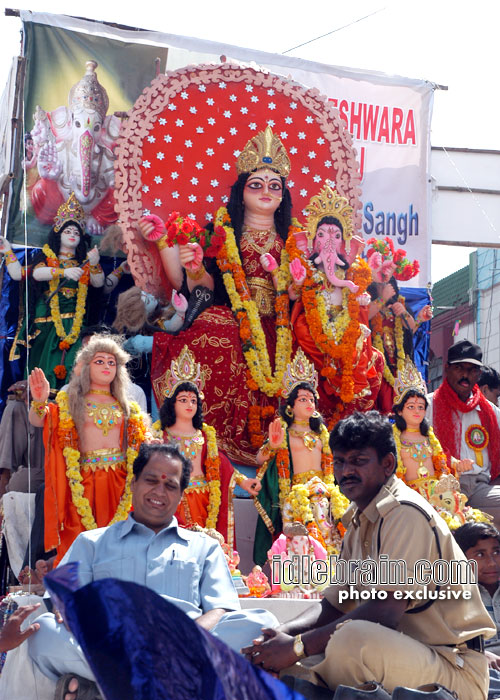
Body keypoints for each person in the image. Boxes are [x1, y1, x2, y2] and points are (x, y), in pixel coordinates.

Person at [243, 411, 495, 699]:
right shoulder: (361, 519)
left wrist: (297, 647)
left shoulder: (403, 513)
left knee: (351, 640)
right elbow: (335, 604)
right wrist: (280, 635)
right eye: (339, 462)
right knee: (267, 635)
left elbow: (384, 611)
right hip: (407, 655)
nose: (346, 471)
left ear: (387, 464)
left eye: (359, 461)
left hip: (455, 667)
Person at [28, 442, 277, 697]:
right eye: (151, 481)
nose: (160, 491)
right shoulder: (91, 542)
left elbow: (220, 608)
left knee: (261, 624)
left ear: (181, 495)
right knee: (42, 631)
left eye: (170, 486)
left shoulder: (204, 547)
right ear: (133, 483)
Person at [141, 126, 298, 465]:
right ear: (241, 193)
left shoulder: (294, 240)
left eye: (275, 186)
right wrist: (192, 264)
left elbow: (301, 293)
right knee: (215, 323)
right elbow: (201, 288)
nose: (266, 191)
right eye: (256, 185)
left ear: (284, 195)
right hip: (239, 324)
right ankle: (205, 431)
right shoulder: (224, 233)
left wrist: (288, 278)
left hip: (282, 327)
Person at [28, 334, 148, 565]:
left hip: (120, 483)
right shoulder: (70, 400)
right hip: (81, 484)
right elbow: (39, 421)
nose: (106, 366)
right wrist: (39, 401)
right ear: (86, 366)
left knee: (122, 547)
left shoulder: (127, 406)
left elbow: (143, 442)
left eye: (111, 362)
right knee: (78, 543)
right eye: (99, 361)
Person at [285, 183, 383, 421]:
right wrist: (297, 285)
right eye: (322, 234)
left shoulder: (350, 274)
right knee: (301, 329)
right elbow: (292, 295)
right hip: (313, 328)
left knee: (370, 352)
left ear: (344, 245)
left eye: (336, 236)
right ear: (313, 242)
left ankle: (349, 403)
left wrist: (361, 299)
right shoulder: (307, 271)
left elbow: (360, 300)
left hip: (344, 326)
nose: (329, 240)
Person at [156, 345, 260, 547]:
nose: (189, 405)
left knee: (203, 547)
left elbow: (222, 464)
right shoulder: (162, 435)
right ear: (172, 404)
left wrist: (243, 482)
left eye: (193, 400)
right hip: (172, 499)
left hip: (202, 499)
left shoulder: (204, 436)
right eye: (183, 400)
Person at [253, 350, 348, 565]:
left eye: (312, 399)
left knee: (331, 536)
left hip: (324, 493)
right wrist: (273, 446)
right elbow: (260, 460)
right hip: (296, 495)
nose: (309, 403)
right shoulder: (284, 432)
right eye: (303, 399)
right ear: (290, 406)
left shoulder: (322, 434)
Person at [9, 192, 105, 389]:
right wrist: (64, 272)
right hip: (48, 321)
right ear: (58, 234)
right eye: (68, 231)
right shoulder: (46, 258)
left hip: (75, 324)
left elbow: (98, 282)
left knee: (73, 365)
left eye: (77, 233)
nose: (72, 235)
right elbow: (31, 274)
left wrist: (94, 264)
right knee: (43, 364)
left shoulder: (83, 263)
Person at [391, 359, 490, 529]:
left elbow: (440, 460)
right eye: (411, 407)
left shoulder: (428, 435)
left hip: (438, 494)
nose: (417, 412)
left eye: (421, 407)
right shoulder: (393, 438)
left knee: (466, 521)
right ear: (400, 410)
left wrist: (458, 465)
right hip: (410, 498)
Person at [427, 340, 500, 529]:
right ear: (447, 369)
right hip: (437, 487)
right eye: (459, 368)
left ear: (478, 374)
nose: (465, 375)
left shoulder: (490, 412)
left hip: (479, 487)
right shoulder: (427, 406)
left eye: (472, 370)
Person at [366, 236, 432, 413]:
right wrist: (382, 299)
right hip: (375, 366)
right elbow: (363, 316)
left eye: (388, 276)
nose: (385, 278)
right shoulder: (367, 299)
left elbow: (410, 328)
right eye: (382, 273)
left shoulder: (399, 301)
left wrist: (408, 314)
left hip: (398, 367)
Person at [454, 522, 500, 699]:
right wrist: (479, 655)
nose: (491, 562)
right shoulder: (453, 595)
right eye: (480, 555)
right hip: (479, 668)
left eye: (496, 552)